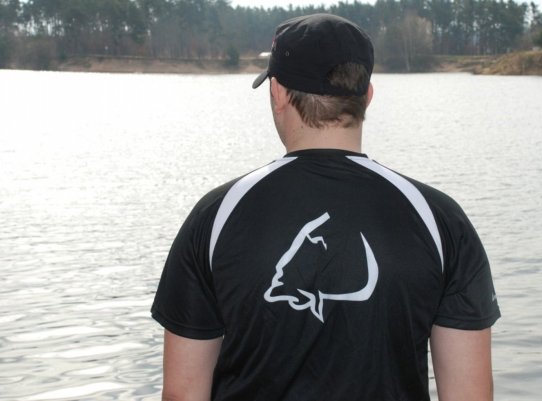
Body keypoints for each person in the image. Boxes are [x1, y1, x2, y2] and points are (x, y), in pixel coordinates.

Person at [151, 13, 500, 401]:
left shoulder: (216, 215)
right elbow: (470, 395)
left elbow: (182, 394)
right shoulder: (439, 219)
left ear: (278, 93)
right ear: (367, 96)